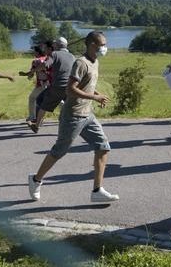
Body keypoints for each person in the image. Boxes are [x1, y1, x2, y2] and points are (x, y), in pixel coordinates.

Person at [28, 31, 119, 203]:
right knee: (59, 151)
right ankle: (35, 180)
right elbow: (70, 89)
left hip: (87, 115)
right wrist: (94, 97)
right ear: (92, 44)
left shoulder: (95, 61)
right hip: (73, 116)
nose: (105, 47)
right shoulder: (81, 63)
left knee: (103, 147)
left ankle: (97, 191)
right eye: (103, 44)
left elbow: (87, 85)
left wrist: (96, 93)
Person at [28, 36, 75, 133]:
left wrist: (34, 70)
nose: (53, 45)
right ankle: (73, 125)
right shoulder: (72, 56)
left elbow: (45, 65)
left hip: (57, 86)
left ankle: (36, 126)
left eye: (54, 44)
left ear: (57, 45)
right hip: (70, 87)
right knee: (70, 107)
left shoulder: (54, 54)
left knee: (42, 102)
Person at [19, 42, 51, 122]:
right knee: (56, 100)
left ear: (37, 52)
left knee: (32, 98)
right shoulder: (48, 58)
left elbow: (31, 73)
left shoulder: (36, 61)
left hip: (41, 84)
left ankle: (32, 116)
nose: (33, 53)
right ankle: (66, 115)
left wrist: (25, 74)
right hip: (51, 82)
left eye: (34, 51)